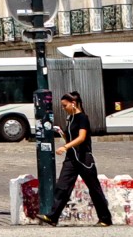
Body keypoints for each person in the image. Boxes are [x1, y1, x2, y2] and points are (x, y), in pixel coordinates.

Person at [42, 91, 113, 226]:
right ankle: (53, 216)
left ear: (73, 103)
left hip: (84, 159)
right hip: (71, 159)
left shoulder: (82, 118)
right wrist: (62, 133)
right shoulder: (70, 119)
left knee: (94, 188)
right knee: (62, 186)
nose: (63, 108)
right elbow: (71, 137)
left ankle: (105, 218)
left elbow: (81, 138)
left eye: (65, 105)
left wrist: (65, 147)